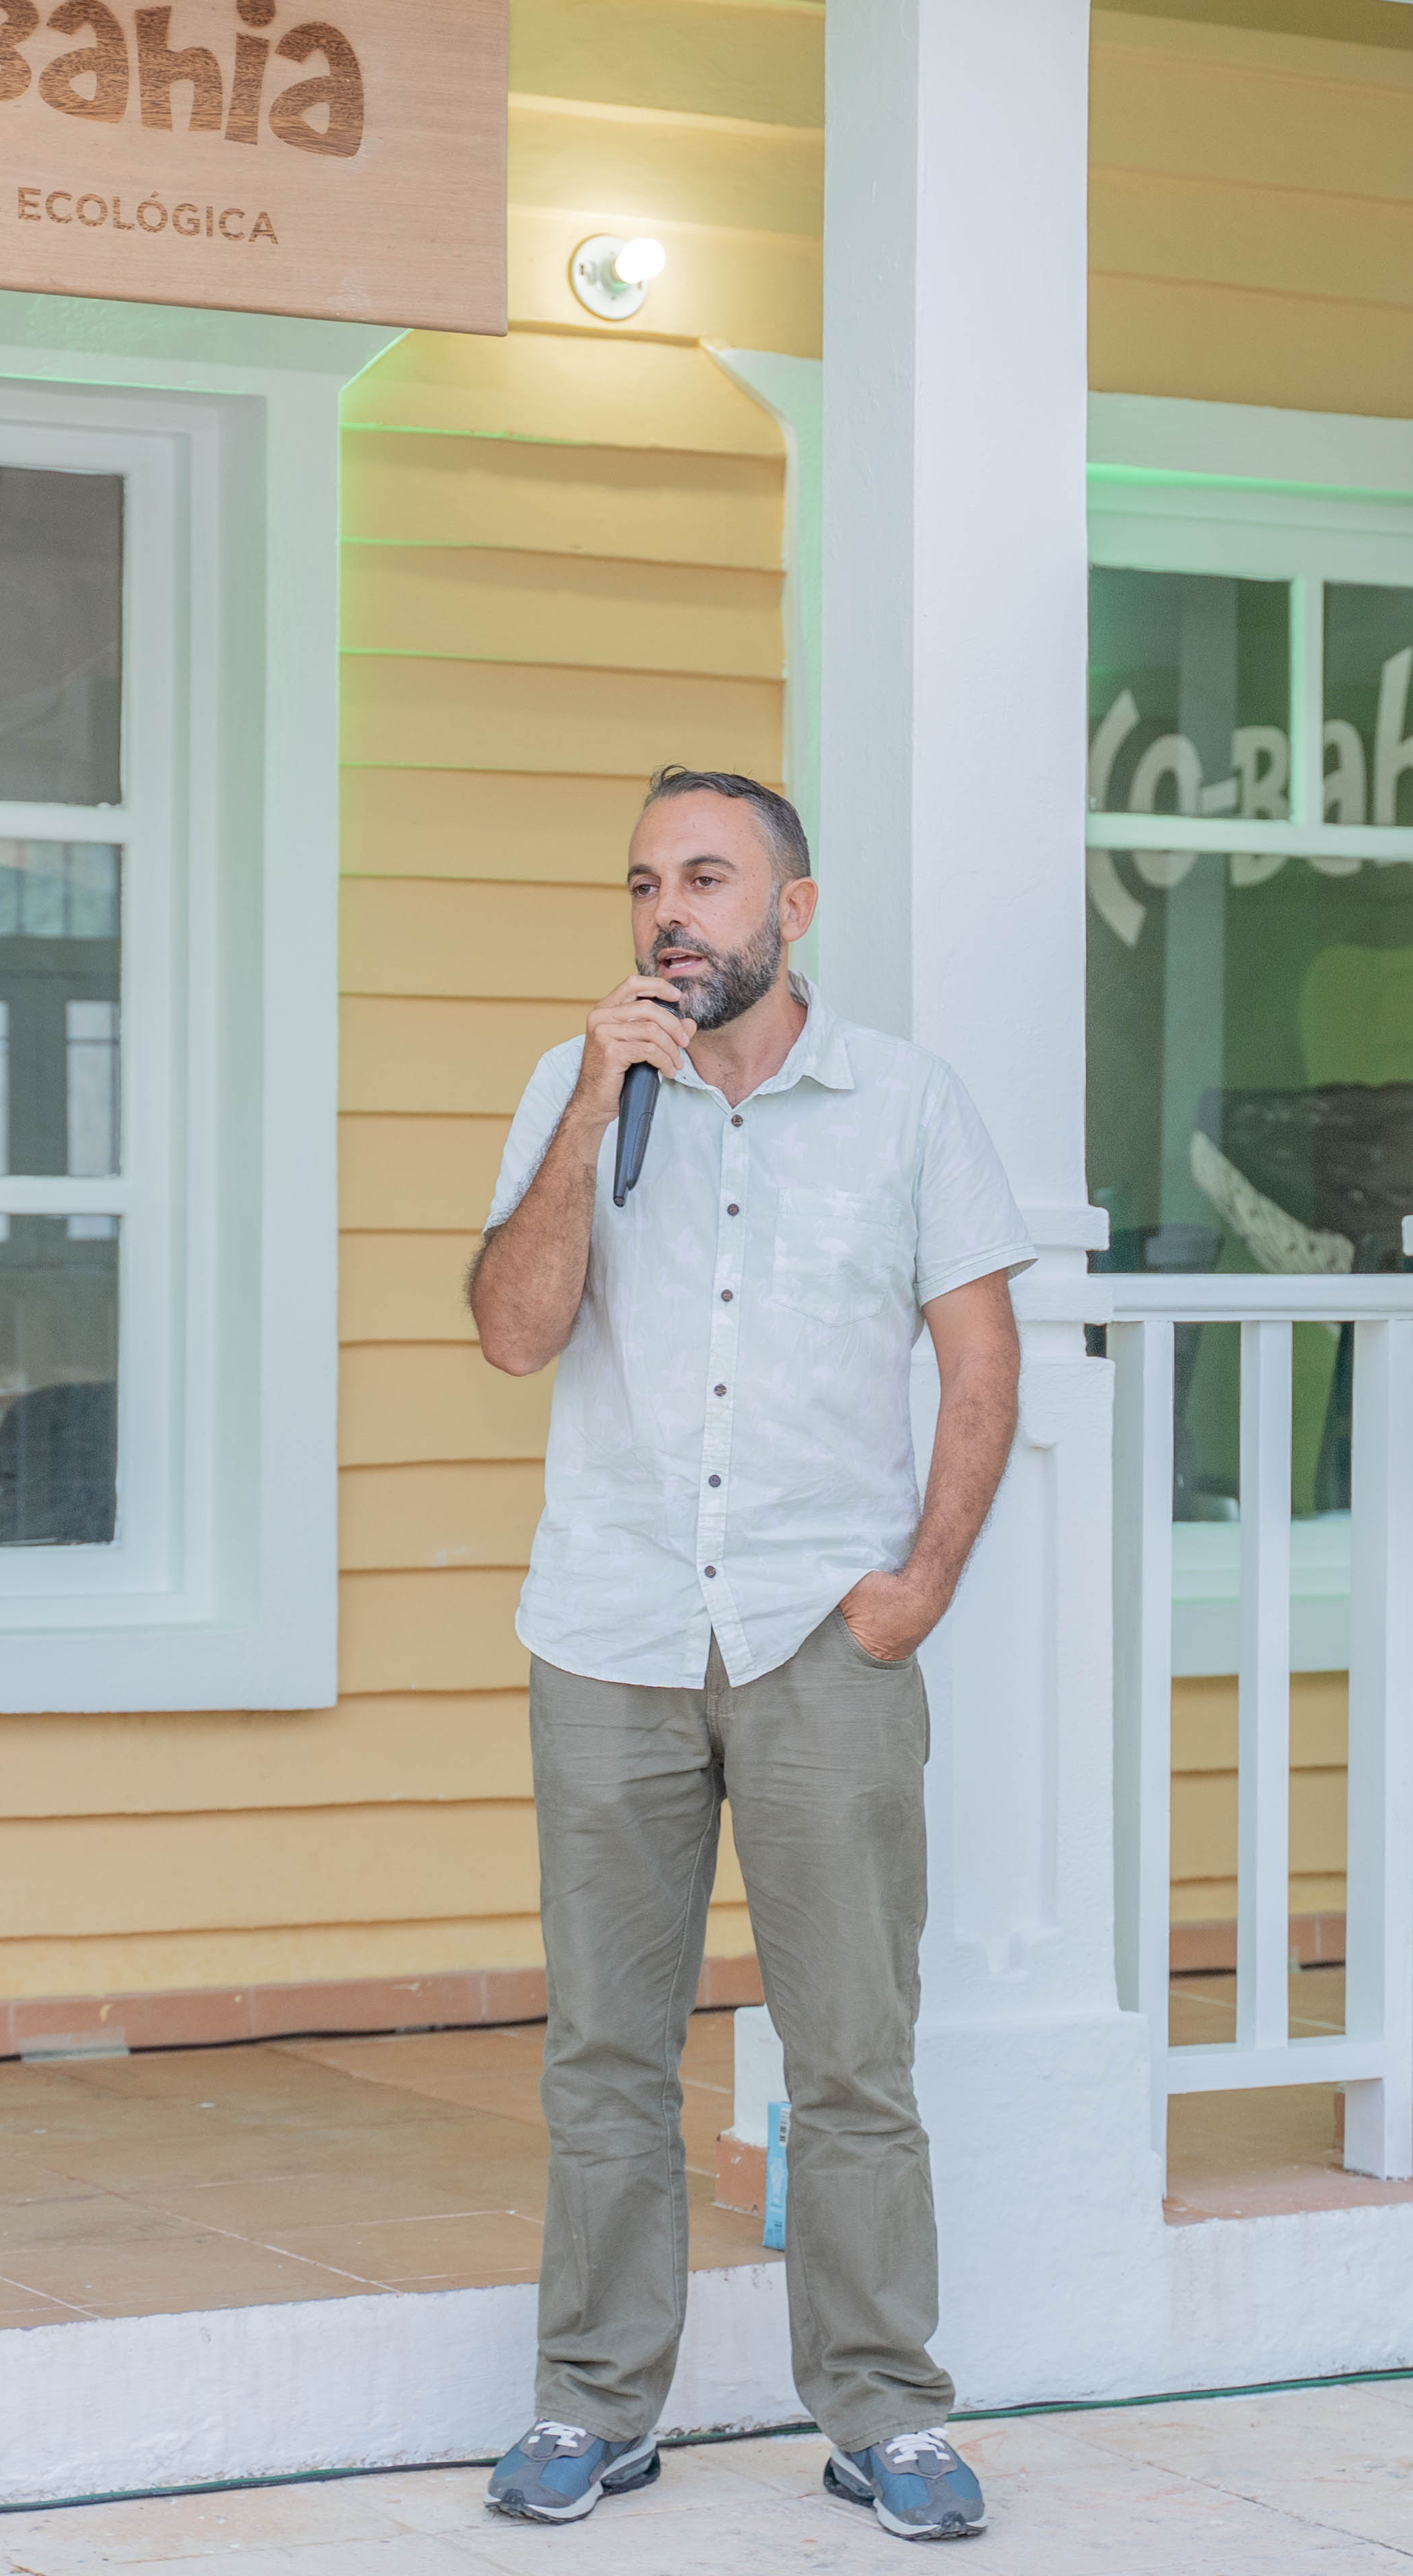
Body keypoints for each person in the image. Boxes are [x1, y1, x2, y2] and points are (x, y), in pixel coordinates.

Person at [465, 766, 1028, 2543]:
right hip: (610, 1629)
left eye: (706, 881)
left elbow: (982, 1358)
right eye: (646, 884)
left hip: (818, 1636)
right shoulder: (575, 1089)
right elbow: (513, 1335)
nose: (668, 915)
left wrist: (919, 1586)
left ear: (793, 909)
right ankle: (592, 2403)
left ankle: (884, 2413)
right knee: (605, 2053)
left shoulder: (906, 1103)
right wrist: (591, 1109)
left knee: (851, 2054)